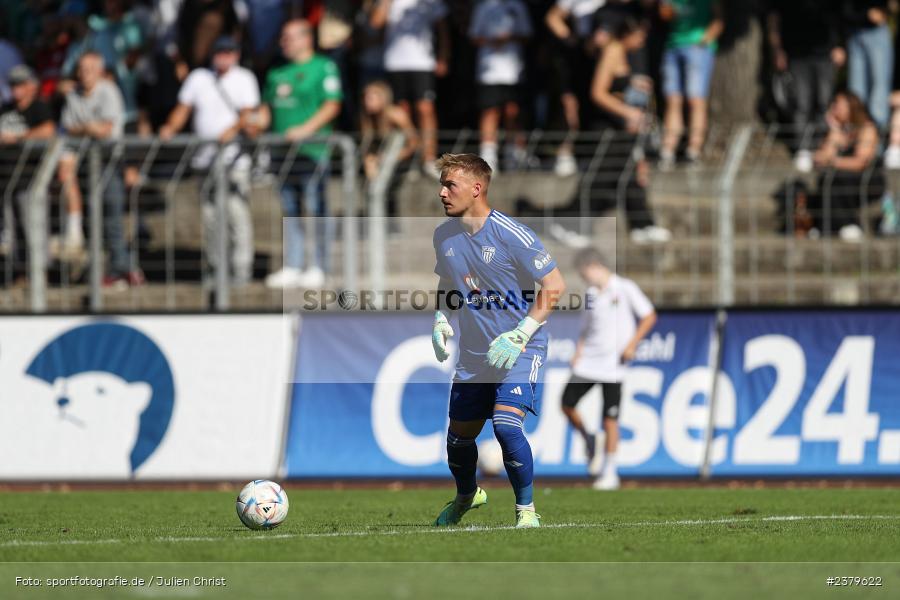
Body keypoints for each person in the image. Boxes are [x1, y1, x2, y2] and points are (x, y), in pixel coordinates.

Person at [430, 153, 567, 528]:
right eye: (441, 185)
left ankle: (525, 511)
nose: (442, 193)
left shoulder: (512, 234)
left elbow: (554, 286)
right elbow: (449, 281)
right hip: (475, 354)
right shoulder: (444, 236)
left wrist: (521, 334)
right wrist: (443, 318)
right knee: (459, 440)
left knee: (506, 426)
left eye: (450, 185)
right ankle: (466, 495)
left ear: (476, 189)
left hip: (520, 348)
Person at [159, 35, 260, 287]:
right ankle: (217, 268)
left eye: (229, 52)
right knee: (210, 217)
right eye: (219, 52)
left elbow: (249, 113)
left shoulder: (244, 78)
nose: (224, 56)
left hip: (233, 160)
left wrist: (233, 130)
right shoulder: (198, 78)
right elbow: (183, 108)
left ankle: (241, 269)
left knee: (236, 214)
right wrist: (170, 127)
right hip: (204, 160)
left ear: (236, 54)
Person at [562, 247, 656, 490]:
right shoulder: (591, 294)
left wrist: (632, 345)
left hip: (614, 366)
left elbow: (648, 316)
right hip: (589, 362)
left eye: (584, 273)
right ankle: (588, 438)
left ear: (595, 267)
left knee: (610, 419)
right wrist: (579, 351)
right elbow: (586, 328)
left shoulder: (624, 288)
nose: (584, 279)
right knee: (567, 403)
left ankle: (610, 472)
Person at [259, 19, 343, 290]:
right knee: (290, 209)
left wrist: (306, 129)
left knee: (315, 206)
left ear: (306, 39)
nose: (284, 42)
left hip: (312, 151)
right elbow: (267, 110)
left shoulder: (323, 67)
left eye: (289, 37)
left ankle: (319, 264)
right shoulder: (277, 72)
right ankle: (294, 264)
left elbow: (332, 105)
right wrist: (252, 121)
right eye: (282, 38)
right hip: (281, 152)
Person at [60, 51, 141, 287]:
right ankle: (98, 270)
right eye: (81, 69)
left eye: (90, 69)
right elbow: (68, 127)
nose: (85, 74)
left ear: (100, 70)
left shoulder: (108, 91)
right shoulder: (73, 95)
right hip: (86, 163)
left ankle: (122, 268)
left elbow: (105, 129)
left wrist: (82, 128)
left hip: (110, 162)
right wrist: (89, 128)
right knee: (92, 219)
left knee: (112, 217)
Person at [589, 15, 670, 243]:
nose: (643, 39)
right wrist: (629, 113)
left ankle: (642, 224)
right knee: (602, 180)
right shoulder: (613, 50)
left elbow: (617, 84)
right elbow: (598, 92)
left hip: (622, 127)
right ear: (628, 34)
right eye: (640, 34)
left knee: (631, 176)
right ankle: (575, 224)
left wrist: (633, 84)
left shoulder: (622, 53)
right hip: (609, 127)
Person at [370, 0, 449, 179]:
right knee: (402, 113)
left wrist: (443, 56)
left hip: (423, 62)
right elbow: (376, 23)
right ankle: (408, 159)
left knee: (425, 109)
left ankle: (429, 159)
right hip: (395, 63)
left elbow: (442, 28)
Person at [767, 1, 844, 172]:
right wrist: (777, 49)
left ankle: (823, 147)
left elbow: (839, 14)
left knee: (825, 103)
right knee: (801, 103)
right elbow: (774, 18)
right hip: (797, 53)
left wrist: (840, 44)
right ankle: (803, 148)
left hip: (825, 53)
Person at [0, 65, 55, 275]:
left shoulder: (39, 108)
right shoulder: (5, 108)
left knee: (34, 226)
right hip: (6, 180)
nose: (16, 89)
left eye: (20, 84)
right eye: (13, 84)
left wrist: (18, 138)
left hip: (30, 179)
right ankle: (19, 272)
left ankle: (40, 273)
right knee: (11, 231)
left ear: (30, 86)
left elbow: (49, 130)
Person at [468, 0, 533, 174]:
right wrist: (492, 40)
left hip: (514, 72)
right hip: (489, 73)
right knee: (490, 112)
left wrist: (509, 37)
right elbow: (474, 35)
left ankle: (514, 157)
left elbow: (527, 35)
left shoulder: (519, 6)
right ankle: (489, 160)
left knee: (513, 112)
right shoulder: (483, 6)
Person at [810, 90, 883, 241]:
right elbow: (820, 159)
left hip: (868, 179)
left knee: (839, 179)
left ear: (851, 107)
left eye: (839, 105)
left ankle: (848, 224)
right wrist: (834, 130)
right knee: (826, 179)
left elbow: (860, 162)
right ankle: (828, 226)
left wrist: (832, 160)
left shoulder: (867, 128)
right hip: (842, 176)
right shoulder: (838, 131)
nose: (834, 108)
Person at [658, 0, 723, 170]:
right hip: (673, 45)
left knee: (695, 100)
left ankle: (693, 151)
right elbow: (665, 15)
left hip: (698, 47)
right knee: (673, 99)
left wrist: (704, 41)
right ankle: (668, 149)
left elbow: (719, 19)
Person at [545, 0, 605, 177]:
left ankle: (591, 154)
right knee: (571, 105)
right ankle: (567, 152)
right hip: (578, 56)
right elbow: (553, 17)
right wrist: (572, 40)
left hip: (603, 55)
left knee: (596, 105)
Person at [359, 80, 419, 223]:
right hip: (380, 158)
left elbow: (414, 143)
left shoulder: (396, 115)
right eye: (366, 97)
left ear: (383, 98)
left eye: (371, 97)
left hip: (402, 158)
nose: (367, 101)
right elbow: (367, 145)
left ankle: (391, 224)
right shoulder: (366, 119)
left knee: (388, 185)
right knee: (367, 178)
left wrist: (393, 157)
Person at [842, 0, 893, 131]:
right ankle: (857, 136)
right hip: (853, 30)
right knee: (855, 91)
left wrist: (884, 8)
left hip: (875, 30)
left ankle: (878, 138)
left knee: (879, 88)